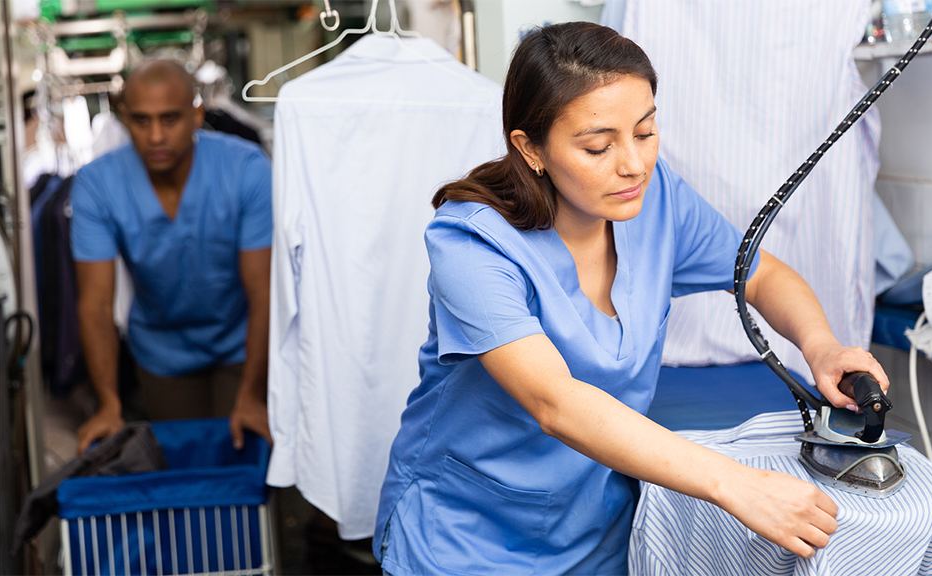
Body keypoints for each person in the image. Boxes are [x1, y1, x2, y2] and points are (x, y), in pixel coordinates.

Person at [373, 22, 891, 575]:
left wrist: (821, 346)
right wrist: (737, 485)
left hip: (597, 528)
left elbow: (759, 274)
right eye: (598, 145)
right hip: (466, 537)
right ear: (531, 149)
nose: (633, 164)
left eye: (644, 133)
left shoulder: (654, 198)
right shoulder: (473, 242)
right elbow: (556, 402)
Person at [70, 60, 272, 454]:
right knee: (185, 471)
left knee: (245, 471)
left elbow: (262, 290)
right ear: (124, 117)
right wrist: (108, 403)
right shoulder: (97, 185)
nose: (156, 136)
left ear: (197, 114)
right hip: (161, 353)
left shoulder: (246, 169)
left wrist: (252, 393)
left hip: (240, 344)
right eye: (141, 121)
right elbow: (95, 303)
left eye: (170, 119)